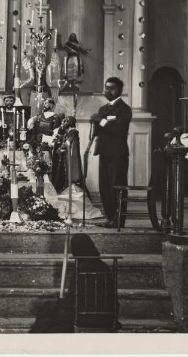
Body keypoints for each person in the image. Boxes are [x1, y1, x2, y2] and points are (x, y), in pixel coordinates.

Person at [29, 233, 119, 333]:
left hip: (81, 317)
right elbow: (112, 296)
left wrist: (60, 302)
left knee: (47, 311)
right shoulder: (104, 267)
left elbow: (72, 298)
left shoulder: (79, 268)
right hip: (106, 317)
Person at [90, 77, 132, 228]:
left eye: (112, 88)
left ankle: (119, 219)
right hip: (104, 153)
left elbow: (118, 130)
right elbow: (99, 130)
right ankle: (110, 217)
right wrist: (95, 122)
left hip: (118, 154)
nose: (108, 91)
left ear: (120, 90)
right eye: (106, 88)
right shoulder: (103, 109)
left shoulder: (124, 109)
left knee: (117, 187)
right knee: (104, 187)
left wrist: (100, 121)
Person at [49, 116, 103, 219]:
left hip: (71, 161)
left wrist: (61, 148)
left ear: (69, 123)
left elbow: (68, 143)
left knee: (72, 178)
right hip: (67, 159)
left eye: (65, 121)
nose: (62, 123)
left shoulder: (73, 132)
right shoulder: (67, 132)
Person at [27, 98, 63, 162]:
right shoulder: (38, 117)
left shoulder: (56, 118)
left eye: (46, 103)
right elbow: (30, 127)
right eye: (43, 103)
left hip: (48, 146)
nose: (43, 105)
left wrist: (49, 140)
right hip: (37, 145)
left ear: (51, 105)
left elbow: (56, 133)